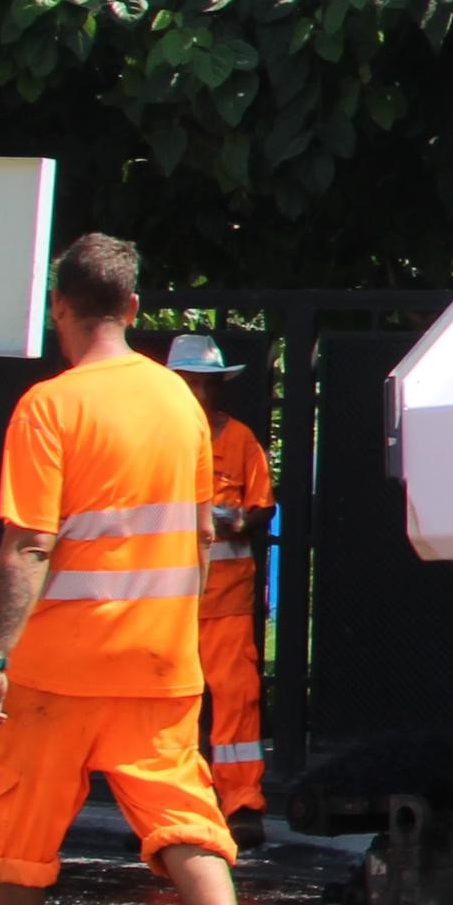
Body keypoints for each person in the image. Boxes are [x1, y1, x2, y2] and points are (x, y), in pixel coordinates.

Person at [0, 235, 275, 905]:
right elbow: (200, 535)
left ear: (58, 308)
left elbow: (29, 545)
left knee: (15, 818)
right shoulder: (181, 404)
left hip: (60, 666)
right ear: (133, 308)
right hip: (159, 658)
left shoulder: (51, 406)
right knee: (180, 809)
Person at [165, 334, 275, 847]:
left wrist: (232, 521)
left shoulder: (240, 440)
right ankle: (170, 810)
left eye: (205, 383)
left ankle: (241, 805)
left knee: (236, 700)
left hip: (225, 600)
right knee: (167, 706)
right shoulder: (154, 441)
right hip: (167, 601)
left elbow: (261, 508)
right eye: (189, 382)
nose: (198, 392)